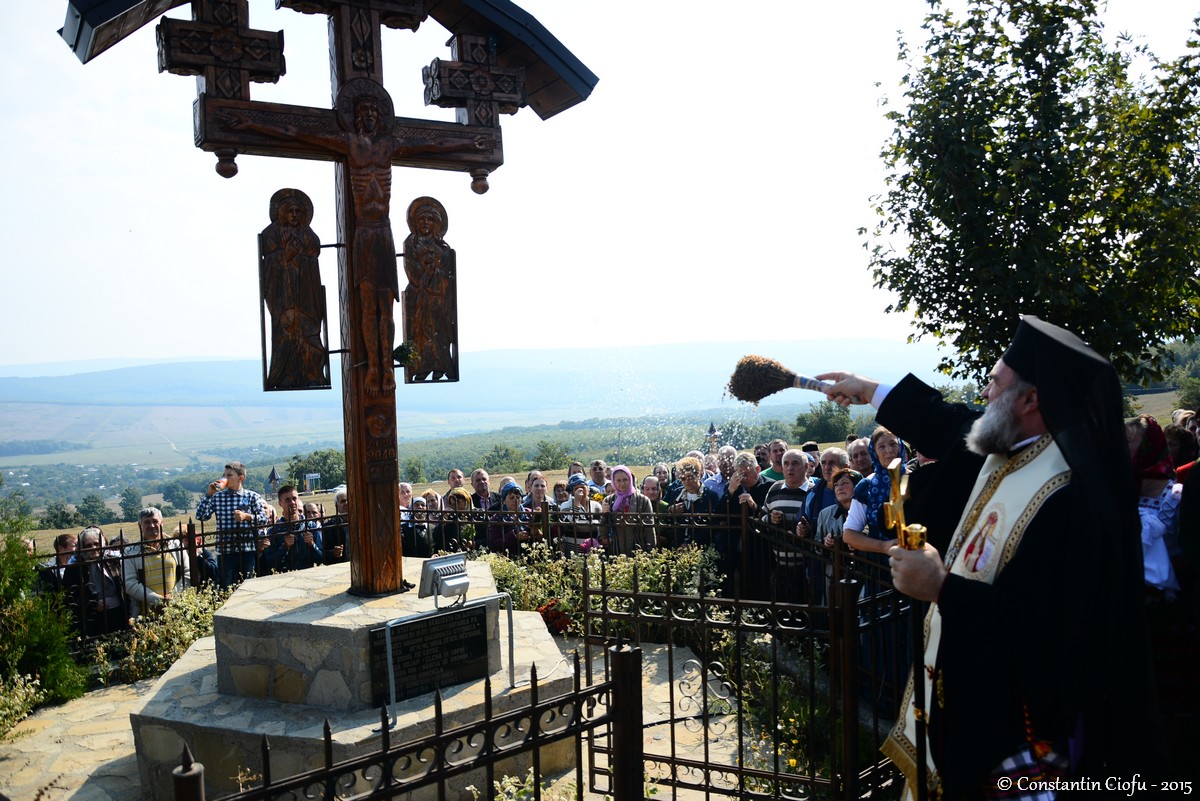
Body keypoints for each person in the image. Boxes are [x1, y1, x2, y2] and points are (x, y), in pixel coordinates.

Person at [820, 315, 1162, 796]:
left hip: (1011, 725)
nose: (983, 393)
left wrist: (941, 588)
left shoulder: (1071, 496)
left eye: (994, 382)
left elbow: (1045, 630)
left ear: (1030, 400)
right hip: (962, 697)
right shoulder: (1010, 447)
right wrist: (867, 388)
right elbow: (949, 420)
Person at [260, 187, 327, 389]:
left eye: (298, 211)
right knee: (287, 332)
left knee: (309, 333)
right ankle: (286, 374)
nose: (295, 215)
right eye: (291, 211)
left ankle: (312, 373)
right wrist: (285, 256)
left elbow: (314, 254)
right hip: (284, 296)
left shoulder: (307, 234)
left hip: (306, 295)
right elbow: (269, 265)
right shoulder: (271, 234)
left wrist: (302, 257)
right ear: (282, 212)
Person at [195, 462, 272, 588]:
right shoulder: (217, 497)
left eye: (229, 475)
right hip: (225, 552)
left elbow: (264, 519)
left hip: (247, 550)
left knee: (248, 586)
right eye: (224, 475)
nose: (225, 478)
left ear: (241, 478)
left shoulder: (252, 496)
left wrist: (246, 517)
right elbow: (201, 516)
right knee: (227, 588)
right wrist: (209, 494)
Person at [60, 527, 128, 636]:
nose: (93, 548)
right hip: (92, 617)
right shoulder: (74, 568)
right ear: (82, 547)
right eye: (88, 545)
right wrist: (92, 603)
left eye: (96, 544)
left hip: (118, 613)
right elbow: (69, 595)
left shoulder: (112, 560)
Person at [123, 508, 190, 618]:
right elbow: (129, 583)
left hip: (177, 608)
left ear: (162, 523)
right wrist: (158, 600)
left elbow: (188, 573)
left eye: (155, 521)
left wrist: (173, 597)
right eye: (147, 522)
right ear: (140, 525)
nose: (152, 525)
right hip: (146, 614)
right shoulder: (130, 552)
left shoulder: (175, 545)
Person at [265, 484, 323, 572]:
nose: (292, 502)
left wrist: (312, 544)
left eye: (294, 498)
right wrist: (284, 547)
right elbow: (269, 563)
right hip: (285, 577)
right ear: (280, 503)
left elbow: (321, 558)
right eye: (287, 500)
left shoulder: (311, 526)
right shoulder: (274, 531)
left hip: (308, 574)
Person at [603, 465, 657, 554]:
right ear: (613, 482)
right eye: (618, 480)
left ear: (630, 479)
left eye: (625, 479)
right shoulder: (609, 500)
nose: (622, 484)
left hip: (638, 548)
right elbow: (603, 530)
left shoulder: (643, 500)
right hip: (616, 549)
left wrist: (651, 551)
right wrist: (604, 514)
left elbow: (649, 529)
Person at [557, 473, 604, 553]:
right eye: (576, 489)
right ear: (572, 492)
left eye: (583, 487)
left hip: (592, 548)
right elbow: (569, 525)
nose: (580, 491)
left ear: (588, 489)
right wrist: (576, 504)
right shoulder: (565, 506)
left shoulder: (596, 506)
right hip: (572, 548)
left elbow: (600, 527)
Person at [488, 481, 532, 556]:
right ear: (504, 500)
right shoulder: (497, 518)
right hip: (508, 558)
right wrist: (514, 536)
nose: (515, 500)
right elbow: (494, 544)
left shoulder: (529, 514)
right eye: (511, 498)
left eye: (518, 497)